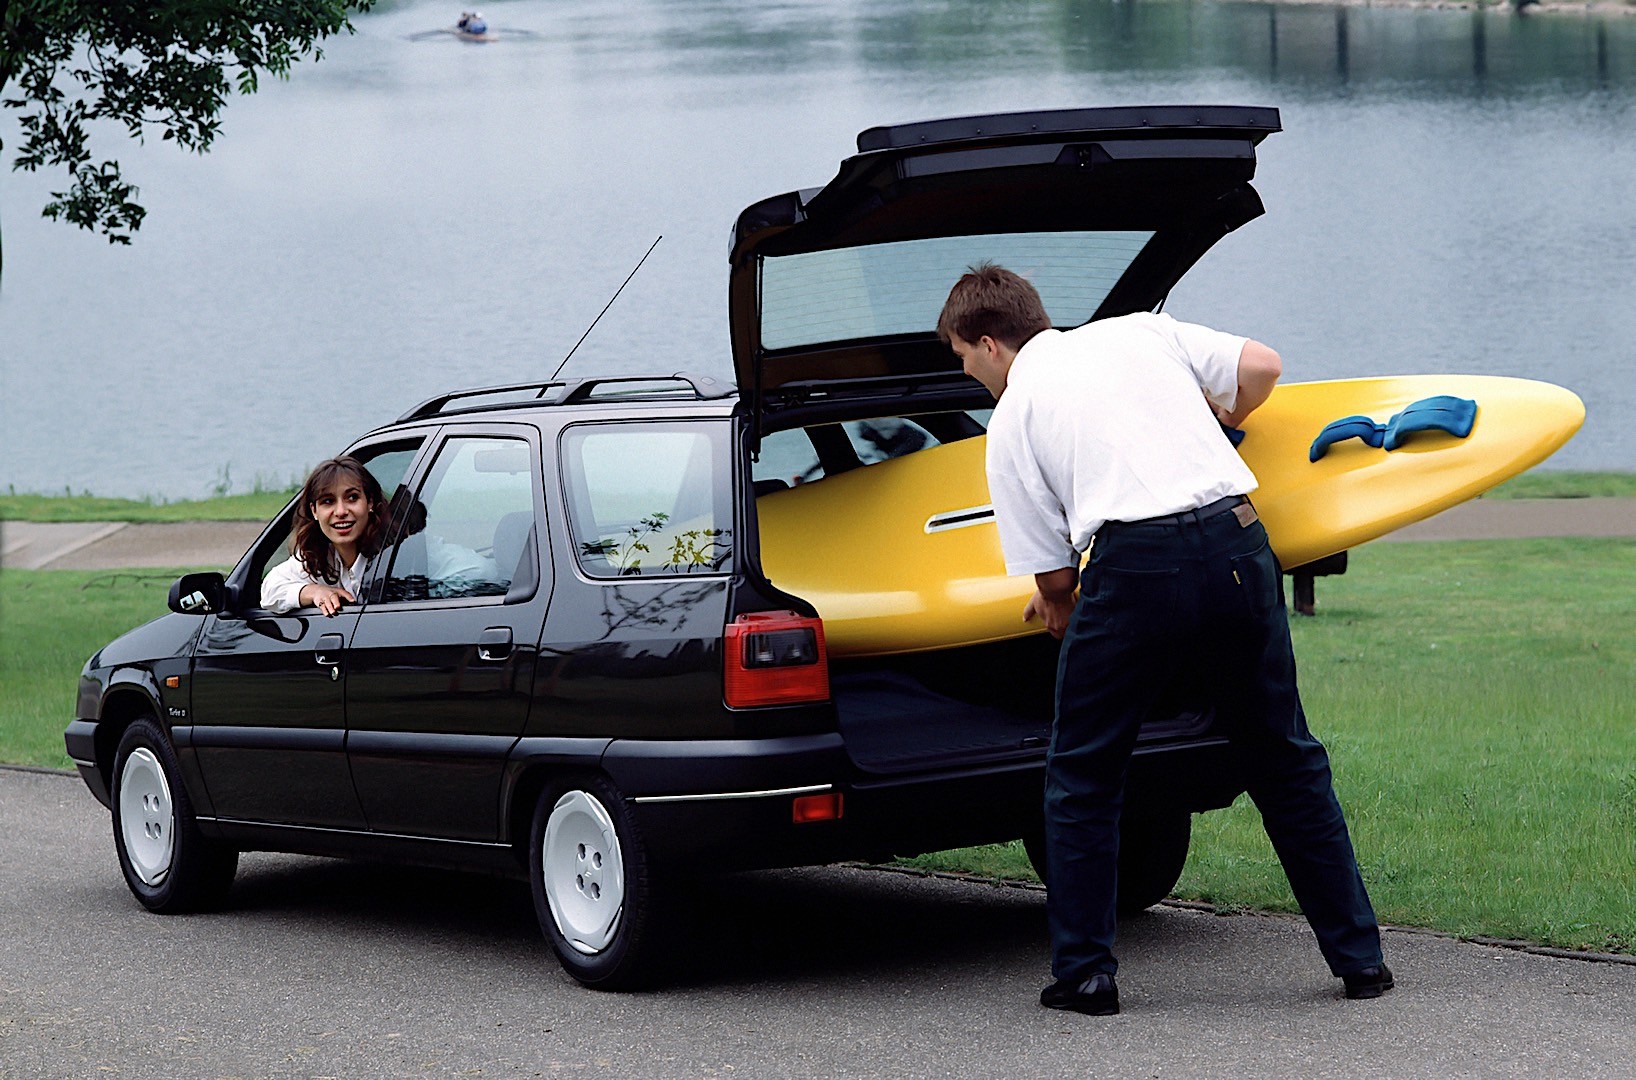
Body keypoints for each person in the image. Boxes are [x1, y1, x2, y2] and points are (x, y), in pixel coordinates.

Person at [937, 263, 1391, 1015]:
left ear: (989, 344)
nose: (968, 374)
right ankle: (1362, 962)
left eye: (961, 357)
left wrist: (1058, 608)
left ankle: (1085, 976)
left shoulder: (1015, 414)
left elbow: (1053, 582)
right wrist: (1216, 416)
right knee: (1285, 758)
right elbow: (1263, 366)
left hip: (1135, 569)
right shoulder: (1140, 332)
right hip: (1237, 541)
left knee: (1084, 774)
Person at [261, 457, 390, 616]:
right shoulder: (317, 555)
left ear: (370, 502)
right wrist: (314, 592)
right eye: (328, 501)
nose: (341, 511)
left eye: (352, 498)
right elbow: (270, 590)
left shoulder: (393, 554)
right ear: (314, 511)